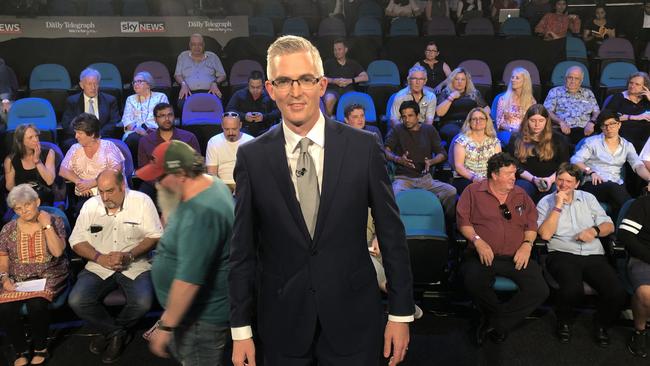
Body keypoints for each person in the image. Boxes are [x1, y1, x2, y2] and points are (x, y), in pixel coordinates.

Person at [229, 35, 414, 366]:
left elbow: (392, 236)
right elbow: (242, 250)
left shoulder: (363, 148)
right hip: (282, 321)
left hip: (353, 318)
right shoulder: (252, 157)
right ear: (270, 89)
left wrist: (400, 314)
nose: (295, 91)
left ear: (322, 84)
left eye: (305, 80)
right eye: (284, 81)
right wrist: (240, 329)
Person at [135, 140, 234, 366]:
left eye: (160, 178)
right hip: (194, 313)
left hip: (200, 320)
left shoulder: (201, 214)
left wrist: (166, 325)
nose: (157, 185)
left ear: (180, 173)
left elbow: (189, 281)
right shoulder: (211, 184)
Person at [68, 169, 163, 364]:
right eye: (101, 191)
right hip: (98, 265)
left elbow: (155, 235)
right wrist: (99, 257)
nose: (104, 197)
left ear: (123, 187)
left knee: (143, 302)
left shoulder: (142, 201)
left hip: (134, 264)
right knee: (77, 300)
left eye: (110, 191)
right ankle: (117, 333)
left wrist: (129, 255)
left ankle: (109, 333)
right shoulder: (90, 206)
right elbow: (76, 240)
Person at [457, 152, 549, 345]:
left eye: (514, 173)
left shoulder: (521, 194)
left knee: (540, 289)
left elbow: (531, 225)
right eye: (508, 174)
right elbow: (463, 222)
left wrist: (526, 245)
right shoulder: (473, 192)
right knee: (472, 281)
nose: (513, 178)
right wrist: (477, 241)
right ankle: (499, 321)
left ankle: (495, 322)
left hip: (515, 255)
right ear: (494, 175)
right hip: (482, 254)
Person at [537, 163, 625, 346]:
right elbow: (544, 234)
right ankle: (564, 322)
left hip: (593, 253)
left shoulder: (589, 198)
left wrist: (593, 231)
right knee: (571, 289)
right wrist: (558, 206)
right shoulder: (546, 202)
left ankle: (601, 324)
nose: (563, 185)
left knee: (616, 292)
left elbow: (609, 226)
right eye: (560, 180)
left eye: (569, 181)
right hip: (562, 252)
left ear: (577, 184)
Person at [0, 184, 68, 366]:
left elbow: (58, 252)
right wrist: (4, 278)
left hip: (49, 274)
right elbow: (3, 258)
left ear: (37, 201)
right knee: (5, 308)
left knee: (36, 304)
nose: (24, 211)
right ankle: (20, 349)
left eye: (27, 205)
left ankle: (41, 347)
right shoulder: (8, 229)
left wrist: (46, 226)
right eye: (18, 208)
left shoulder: (55, 221)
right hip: (18, 278)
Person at [571, 111, 650, 219]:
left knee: (618, 192)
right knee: (614, 189)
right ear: (601, 127)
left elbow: (638, 165)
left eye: (612, 124)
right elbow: (575, 160)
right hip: (594, 183)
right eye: (605, 125)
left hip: (616, 184)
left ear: (619, 124)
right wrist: (590, 171)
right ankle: (639, 214)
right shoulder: (592, 142)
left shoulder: (627, 145)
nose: (609, 128)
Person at [386, 100, 457, 219]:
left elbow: (442, 153)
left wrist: (431, 161)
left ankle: (445, 224)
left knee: (451, 192)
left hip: (426, 179)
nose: (406, 119)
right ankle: (396, 229)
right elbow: (385, 150)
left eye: (410, 115)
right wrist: (398, 159)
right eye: (404, 116)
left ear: (418, 116)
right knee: (392, 195)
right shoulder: (397, 130)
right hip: (403, 179)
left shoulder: (429, 130)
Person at [59, 113, 125, 215]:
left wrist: (91, 183)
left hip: (110, 193)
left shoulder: (108, 147)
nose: (76, 136)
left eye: (80, 133)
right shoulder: (75, 148)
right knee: (83, 211)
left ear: (92, 134)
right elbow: (63, 170)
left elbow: (116, 171)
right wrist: (79, 182)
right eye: (76, 132)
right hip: (85, 194)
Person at [506, 104, 571, 203]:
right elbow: (514, 165)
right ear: (527, 121)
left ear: (546, 121)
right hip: (527, 179)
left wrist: (549, 180)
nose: (537, 125)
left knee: (554, 194)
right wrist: (533, 179)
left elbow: (564, 164)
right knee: (520, 190)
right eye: (533, 121)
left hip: (551, 179)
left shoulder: (558, 138)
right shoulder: (516, 138)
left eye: (541, 121)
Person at [136, 103, 200, 201]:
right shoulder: (145, 141)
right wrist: (160, 184)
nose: (167, 119)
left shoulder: (189, 137)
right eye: (162, 116)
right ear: (155, 119)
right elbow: (143, 167)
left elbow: (196, 164)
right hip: (156, 184)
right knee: (141, 197)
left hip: (183, 182)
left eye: (170, 115)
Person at [618, 194, 650, 357]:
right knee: (646, 294)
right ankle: (639, 331)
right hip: (643, 258)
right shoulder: (643, 203)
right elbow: (625, 235)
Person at [61, 67, 120, 151]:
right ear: (82, 85)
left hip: (103, 137)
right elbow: (67, 124)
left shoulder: (110, 100)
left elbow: (114, 122)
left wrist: (96, 135)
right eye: (89, 84)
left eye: (95, 84)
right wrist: (84, 136)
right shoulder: (72, 101)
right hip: (79, 138)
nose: (93, 87)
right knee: (68, 144)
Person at [121, 71, 169, 167]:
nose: (136, 84)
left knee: (156, 138)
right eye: (134, 82)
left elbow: (165, 117)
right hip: (136, 130)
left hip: (156, 130)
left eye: (139, 81)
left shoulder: (160, 97)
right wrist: (137, 129)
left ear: (148, 84)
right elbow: (126, 119)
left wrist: (152, 130)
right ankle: (136, 169)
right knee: (132, 139)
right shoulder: (130, 99)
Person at [543, 66, 599, 145]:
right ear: (565, 78)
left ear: (581, 80)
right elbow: (547, 111)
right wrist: (561, 122)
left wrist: (592, 122)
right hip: (562, 130)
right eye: (570, 77)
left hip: (584, 131)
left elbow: (596, 112)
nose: (573, 81)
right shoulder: (555, 91)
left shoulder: (588, 93)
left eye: (577, 78)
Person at [3, 124, 56, 207]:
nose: (36, 140)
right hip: (22, 199)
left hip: (44, 197)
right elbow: (10, 187)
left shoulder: (49, 153)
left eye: (36, 136)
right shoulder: (10, 160)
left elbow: (49, 180)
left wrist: (37, 161)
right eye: (30, 137)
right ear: (21, 141)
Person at [452, 107, 501, 194]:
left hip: (489, 178)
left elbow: (498, 165)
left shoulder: (494, 141)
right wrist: (474, 178)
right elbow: (459, 167)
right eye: (474, 119)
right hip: (466, 178)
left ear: (487, 121)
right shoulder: (461, 141)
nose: (478, 121)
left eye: (481, 118)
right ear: (469, 122)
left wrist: (490, 179)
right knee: (477, 190)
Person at [436, 67, 489, 145]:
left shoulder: (474, 93)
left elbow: (487, 110)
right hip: (450, 124)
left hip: (469, 123)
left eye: (463, 79)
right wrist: (451, 98)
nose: (460, 82)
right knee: (458, 135)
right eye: (457, 79)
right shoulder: (446, 93)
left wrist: (478, 119)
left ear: (467, 81)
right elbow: (439, 113)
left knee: (476, 133)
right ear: (452, 81)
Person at [174, 33, 226, 110]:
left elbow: (223, 75)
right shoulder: (182, 56)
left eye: (199, 44)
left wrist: (215, 83)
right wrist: (183, 84)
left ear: (204, 45)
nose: (197, 47)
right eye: (194, 44)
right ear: (189, 45)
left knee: (218, 104)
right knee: (181, 105)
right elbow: (177, 75)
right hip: (189, 92)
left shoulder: (213, 57)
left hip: (210, 92)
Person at [602, 71, 650, 153]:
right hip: (625, 132)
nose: (632, 86)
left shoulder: (646, 100)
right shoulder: (619, 97)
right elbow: (607, 116)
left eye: (637, 84)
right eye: (631, 83)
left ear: (644, 87)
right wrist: (635, 117)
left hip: (645, 132)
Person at [206, 112, 254, 192]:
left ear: (240, 125)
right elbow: (212, 174)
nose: (230, 133)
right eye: (227, 129)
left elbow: (254, 171)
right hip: (222, 186)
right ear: (222, 126)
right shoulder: (213, 141)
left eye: (234, 129)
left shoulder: (250, 141)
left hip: (244, 185)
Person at [225, 71, 280, 137]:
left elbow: (279, 111)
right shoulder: (239, 94)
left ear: (263, 85)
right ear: (248, 84)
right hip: (244, 130)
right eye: (252, 87)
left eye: (258, 87)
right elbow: (229, 110)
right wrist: (244, 116)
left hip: (265, 129)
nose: (255, 90)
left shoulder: (270, 95)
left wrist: (264, 117)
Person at [323, 38, 368, 117]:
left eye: (339, 49)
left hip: (348, 90)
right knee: (329, 99)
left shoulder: (353, 63)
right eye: (335, 50)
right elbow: (319, 77)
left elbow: (365, 77)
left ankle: (350, 124)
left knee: (354, 101)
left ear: (345, 50)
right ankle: (329, 121)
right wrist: (334, 81)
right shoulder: (328, 63)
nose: (337, 52)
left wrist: (350, 81)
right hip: (332, 90)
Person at [496, 67, 536, 143]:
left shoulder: (531, 101)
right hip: (507, 131)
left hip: (525, 132)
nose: (513, 80)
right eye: (512, 77)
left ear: (525, 81)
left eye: (517, 78)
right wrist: (513, 129)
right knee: (516, 141)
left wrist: (523, 131)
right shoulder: (503, 99)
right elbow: (499, 123)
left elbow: (532, 121)